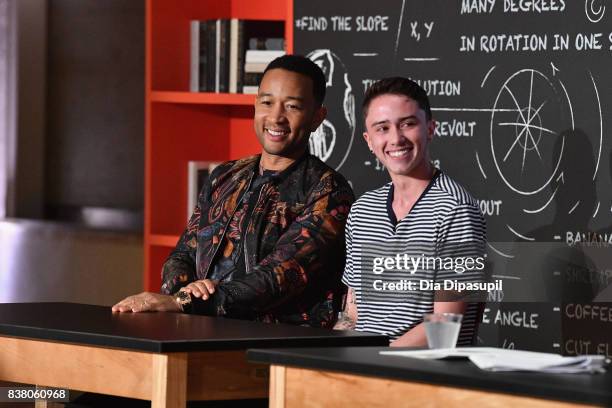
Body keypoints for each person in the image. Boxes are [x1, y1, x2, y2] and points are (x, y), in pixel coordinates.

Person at [113, 55, 354, 328]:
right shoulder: (225, 176)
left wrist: (188, 302)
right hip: (199, 330)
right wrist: (186, 292)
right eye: (267, 102)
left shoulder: (328, 190)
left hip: (280, 345)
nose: (276, 117)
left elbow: (280, 277)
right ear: (255, 106)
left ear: (317, 117)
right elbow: (182, 254)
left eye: (292, 106)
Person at [334, 77, 486, 346]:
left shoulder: (455, 209)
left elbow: (445, 327)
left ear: (430, 129)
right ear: (369, 140)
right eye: (382, 128)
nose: (396, 138)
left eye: (408, 124)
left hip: (423, 373)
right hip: (364, 366)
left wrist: (375, 360)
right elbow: (353, 314)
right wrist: (329, 353)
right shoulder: (362, 211)